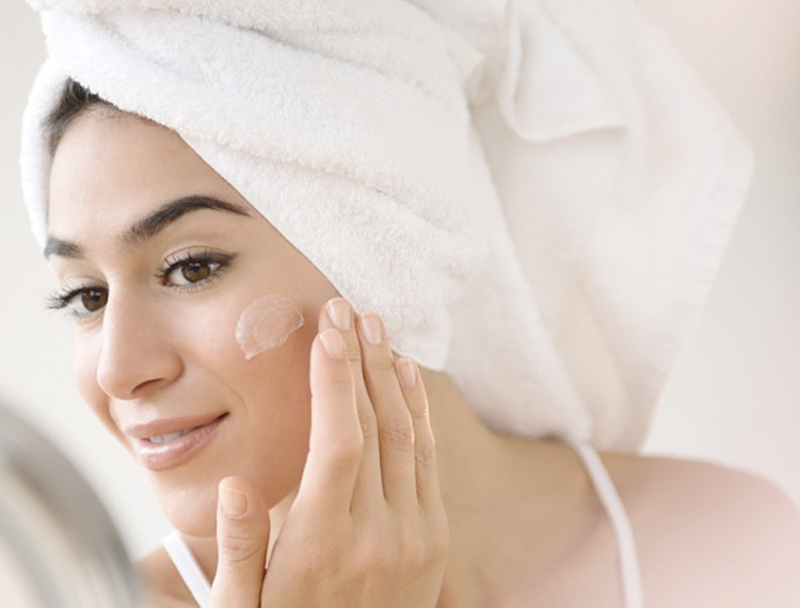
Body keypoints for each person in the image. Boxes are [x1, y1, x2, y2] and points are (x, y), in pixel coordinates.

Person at [21, 1, 800, 607]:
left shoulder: (725, 546)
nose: (120, 369)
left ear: (387, 251)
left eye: (191, 269)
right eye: (85, 296)